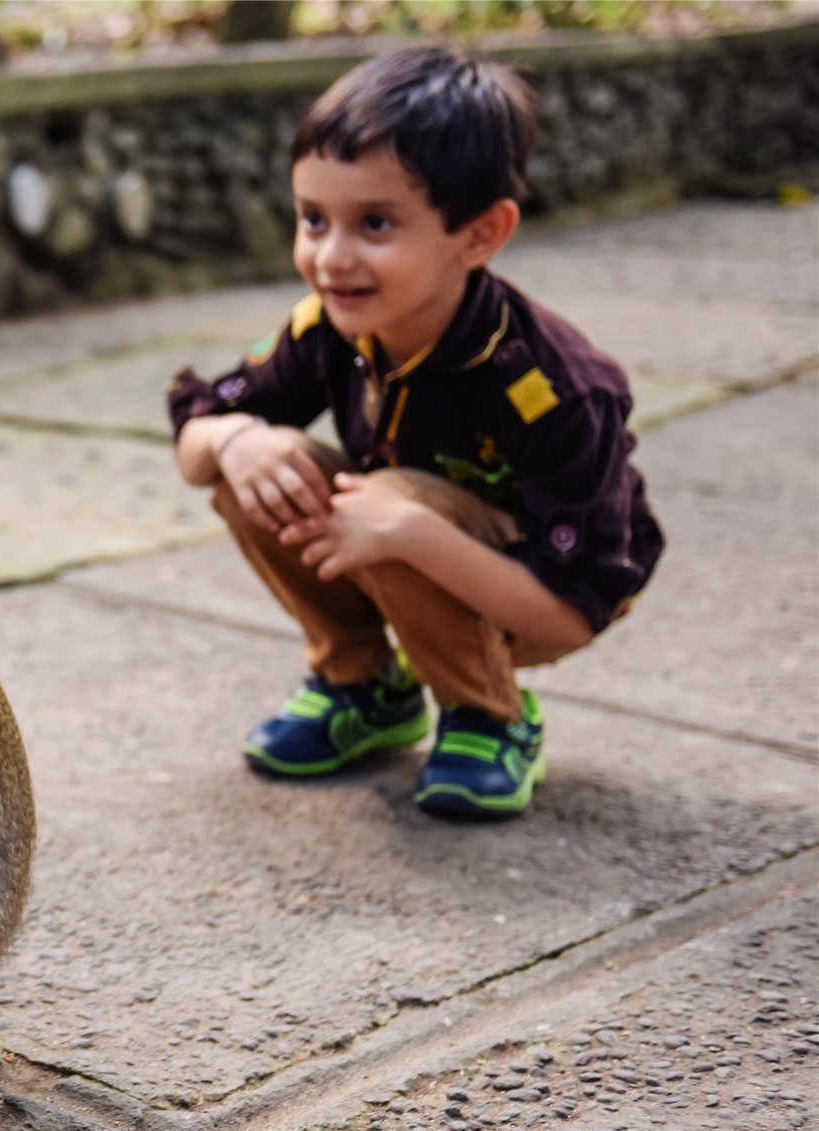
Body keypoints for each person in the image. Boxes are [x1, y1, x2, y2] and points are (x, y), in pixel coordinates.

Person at [167, 46, 662, 820]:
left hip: (537, 588)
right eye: (312, 219)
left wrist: (412, 534)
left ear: (479, 233)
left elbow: (576, 607)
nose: (331, 258)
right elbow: (194, 438)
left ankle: (489, 714)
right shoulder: (326, 326)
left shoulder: (554, 390)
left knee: (390, 502)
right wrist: (235, 440)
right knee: (255, 459)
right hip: (396, 539)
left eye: (375, 223)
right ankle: (363, 686)